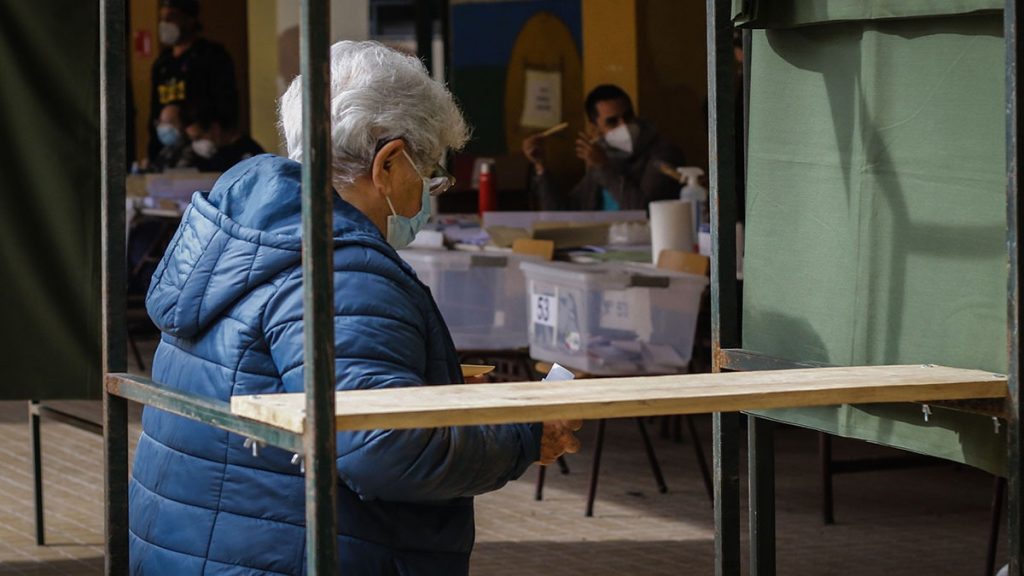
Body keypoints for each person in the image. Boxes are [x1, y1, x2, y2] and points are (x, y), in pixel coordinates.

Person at [130, 41, 582, 576]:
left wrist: (432, 382)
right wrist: (523, 433)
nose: (429, 195)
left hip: (202, 544)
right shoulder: (343, 268)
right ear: (389, 163)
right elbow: (380, 445)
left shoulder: (247, 235)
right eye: (431, 172)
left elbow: (287, 377)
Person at [523, 84, 685, 211]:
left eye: (628, 116)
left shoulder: (662, 153)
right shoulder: (603, 153)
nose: (624, 126)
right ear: (595, 129)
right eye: (612, 122)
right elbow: (566, 211)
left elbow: (645, 210)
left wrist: (603, 167)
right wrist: (540, 166)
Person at [147, 0, 238, 166]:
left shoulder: (211, 56)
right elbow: (154, 110)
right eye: (162, 18)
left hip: (205, 145)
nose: (165, 24)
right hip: (169, 149)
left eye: (171, 17)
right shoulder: (162, 63)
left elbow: (226, 102)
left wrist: (195, 123)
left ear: (189, 19)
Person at [184, 111, 264, 173]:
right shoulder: (219, 153)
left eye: (198, 138)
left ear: (215, 128)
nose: (196, 144)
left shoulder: (246, 151)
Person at [148, 103, 196, 171]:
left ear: (182, 124)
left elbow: (177, 175)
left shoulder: (190, 150)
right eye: (161, 122)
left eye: (168, 122)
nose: (162, 127)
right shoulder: (166, 150)